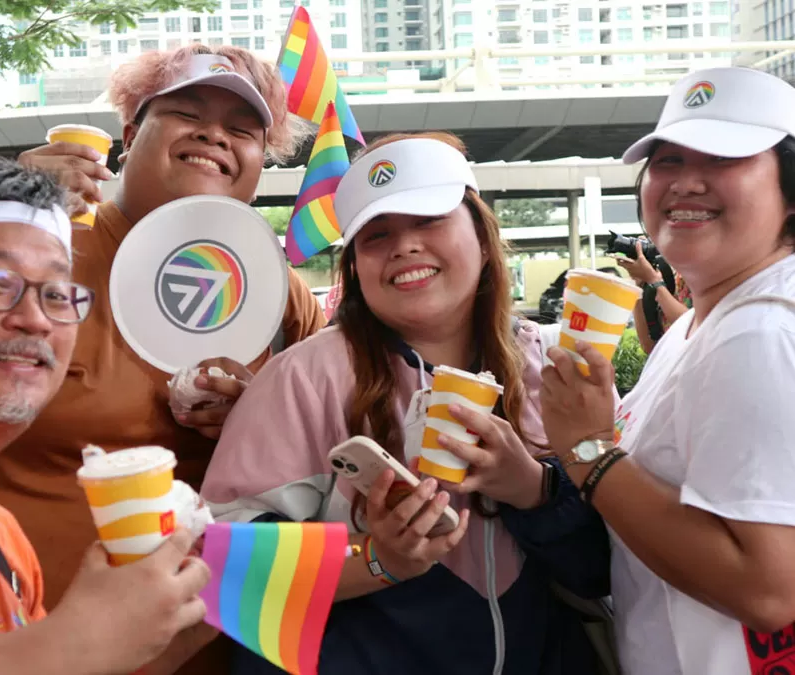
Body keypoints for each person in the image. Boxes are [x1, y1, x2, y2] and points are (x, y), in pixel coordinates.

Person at [202, 133, 611, 675]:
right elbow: (225, 569)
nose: (405, 246)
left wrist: (534, 490)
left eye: (428, 220)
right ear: (355, 266)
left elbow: (606, 569)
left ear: (483, 237)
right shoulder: (303, 378)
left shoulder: (550, 368)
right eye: (377, 235)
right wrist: (379, 560)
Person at [0, 44, 327, 672]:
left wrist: (262, 424)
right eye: (187, 113)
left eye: (242, 129)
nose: (213, 135)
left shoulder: (283, 297)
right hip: (34, 644)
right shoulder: (34, 245)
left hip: (225, 648)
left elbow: (334, 456)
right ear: (131, 134)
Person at [0, 156, 211, 674]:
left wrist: (166, 623)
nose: (35, 318)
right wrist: (71, 646)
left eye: (58, 294)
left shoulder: (1, 534)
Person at [539, 66, 795, 675]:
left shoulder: (760, 333)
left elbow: (768, 590)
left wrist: (587, 451)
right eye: (668, 161)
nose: (685, 183)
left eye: (722, 158)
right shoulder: (696, 324)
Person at [618, 241, 692, 353]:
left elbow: (696, 328)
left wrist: (654, 281)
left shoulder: (711, 275)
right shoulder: (669, 275)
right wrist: (639, 285)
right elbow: (649, 346)